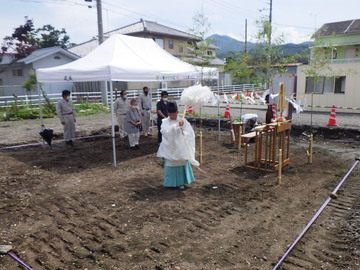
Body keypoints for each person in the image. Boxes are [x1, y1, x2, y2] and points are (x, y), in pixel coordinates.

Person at [157, 101, 199, 190]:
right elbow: (164, 132)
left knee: (181, 163)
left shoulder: (183, 120)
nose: (172, 116)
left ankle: (181, 182)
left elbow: (190, 133)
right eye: (170, 114)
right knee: (171, 164)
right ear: (168, 114)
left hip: (180, 147)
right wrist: (176, 127)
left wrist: (182, 130)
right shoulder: (165, 122)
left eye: (174, 114)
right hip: (170, 148)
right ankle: (170, 183)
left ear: (177, 113)